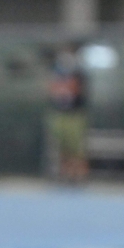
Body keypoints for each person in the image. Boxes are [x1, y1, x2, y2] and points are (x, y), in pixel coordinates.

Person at [46, 42, 89, 183]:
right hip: (60, 114)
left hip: (75, 115)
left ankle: (78, 175)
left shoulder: (79, 75)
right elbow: (51, 92)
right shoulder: (55, 73)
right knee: (62, 147)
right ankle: (64, 174)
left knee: (76, 148)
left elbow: (80, 93)